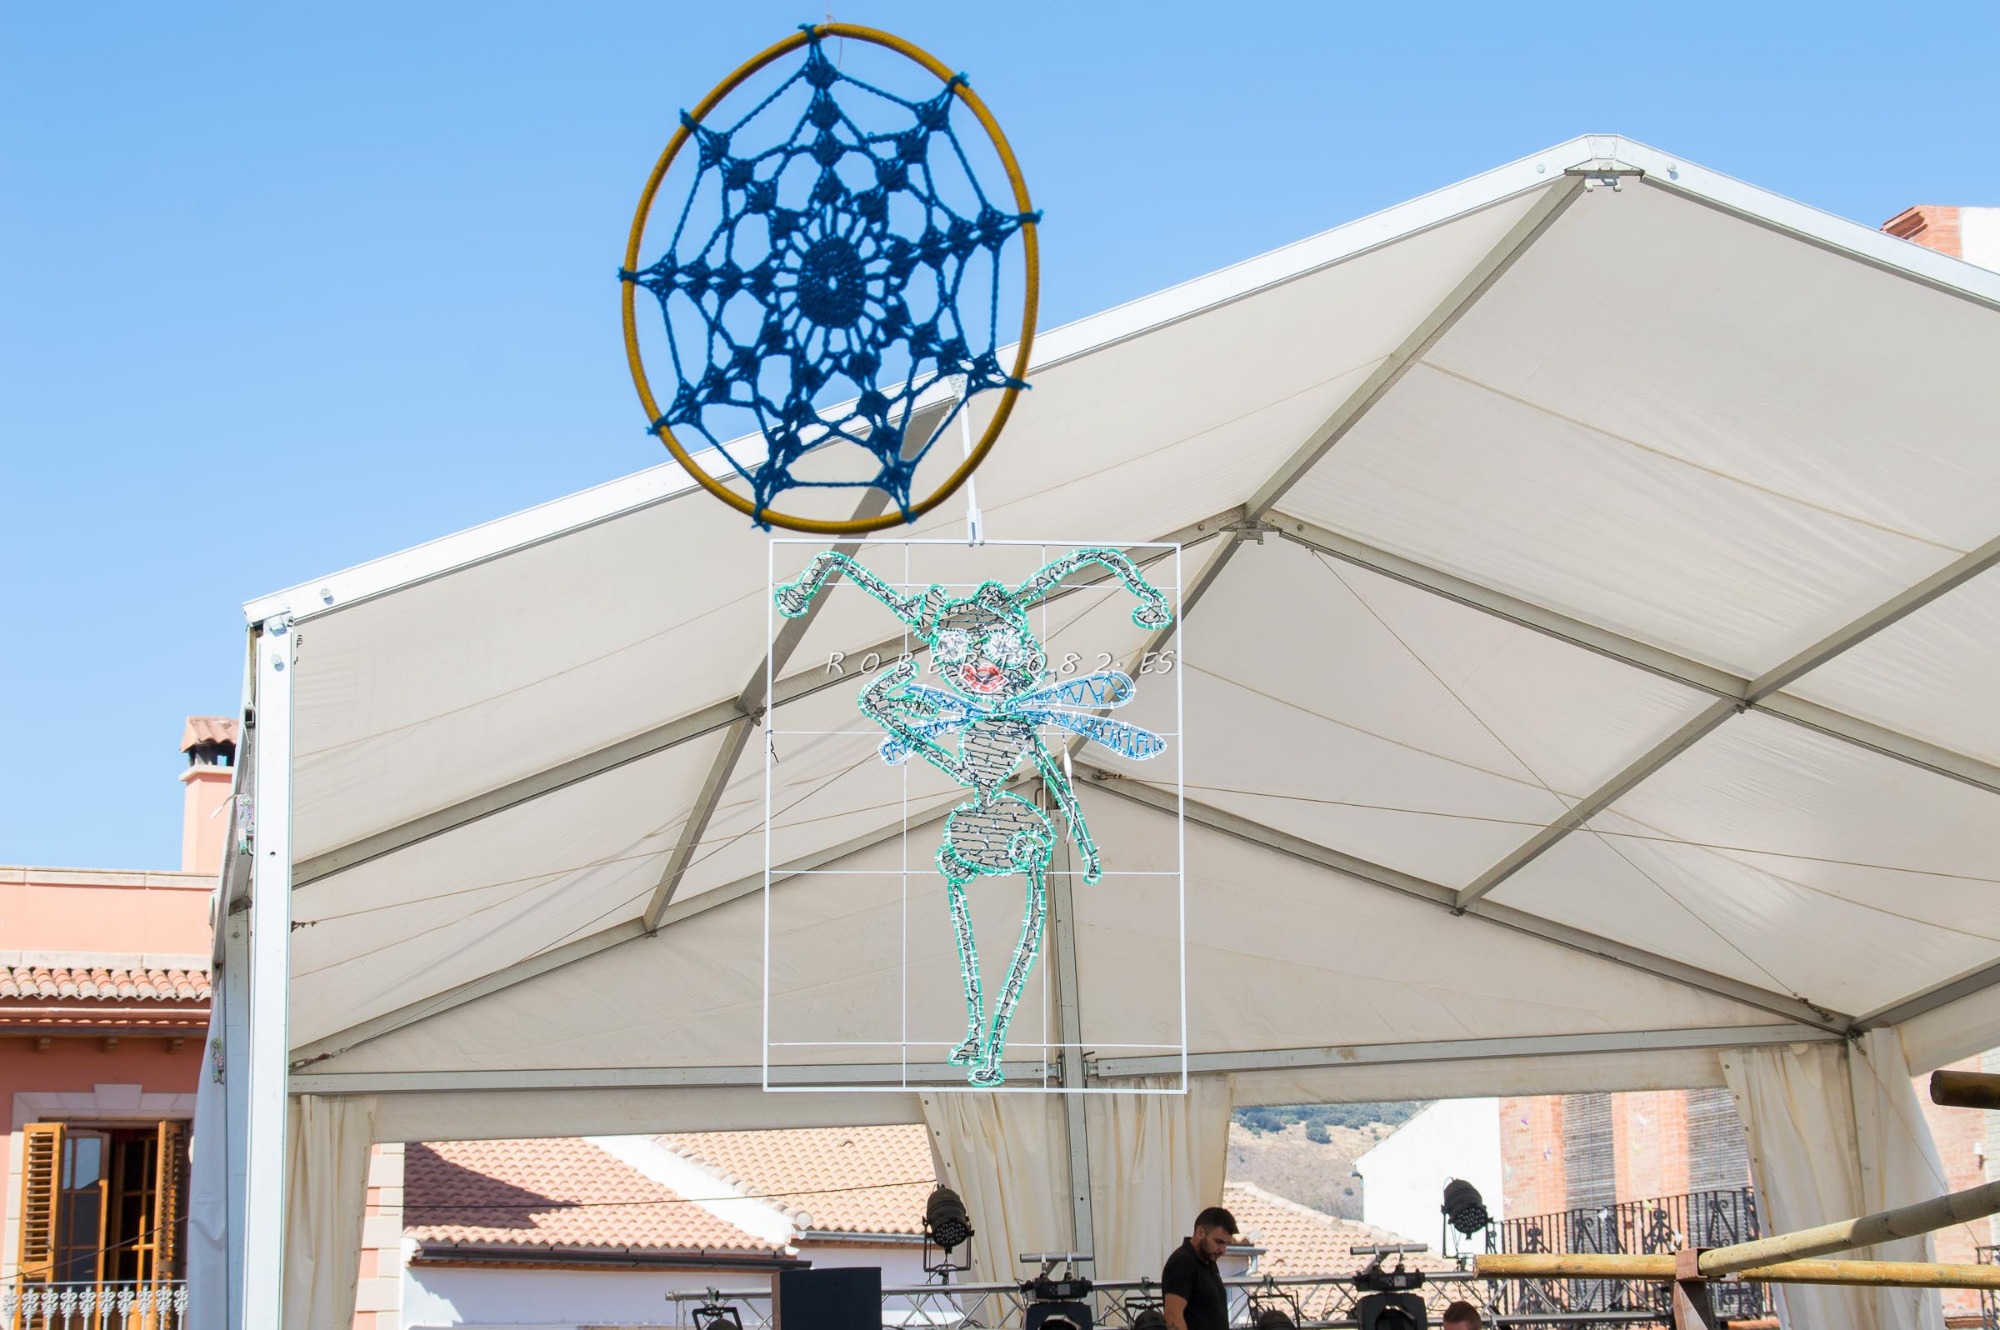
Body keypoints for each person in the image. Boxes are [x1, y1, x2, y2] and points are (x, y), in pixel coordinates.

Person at [1162, 1205, 1236, 1330]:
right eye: (1218, 1242)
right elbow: (1173, 1315)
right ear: (1200, 1232)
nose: (1222, 1250)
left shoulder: (1208, 1261)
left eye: (1226, 1244)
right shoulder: (1182, 1262)